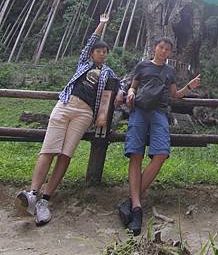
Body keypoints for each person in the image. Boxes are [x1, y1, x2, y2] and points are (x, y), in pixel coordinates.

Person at [16, 13, 122, 226]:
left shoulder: (109, 72)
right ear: (92, 53)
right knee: (48, 150)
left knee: (65, 155)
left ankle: (45, 201)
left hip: (85, 113)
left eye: (104, 51)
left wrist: (123, 92)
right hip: (65, 104)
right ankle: (33, 194)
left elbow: (119, 86)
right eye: (98, 51)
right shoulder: (84, 62)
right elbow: (90, 41)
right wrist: (101, 24)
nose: (101, 53)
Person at [124, 37, 201, 235]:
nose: (164, 51)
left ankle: (131, 202)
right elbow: (133, 85)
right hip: (139, 110)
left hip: (159, 112)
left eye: (167, 49)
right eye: (161, 47)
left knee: (160, 154)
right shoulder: (142, 65)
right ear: (154, 48)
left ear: (170, 53)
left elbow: (175, 95)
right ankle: (137, 209)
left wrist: (190, 86)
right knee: (136, 154)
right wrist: (131, 93)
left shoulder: (169, 71)